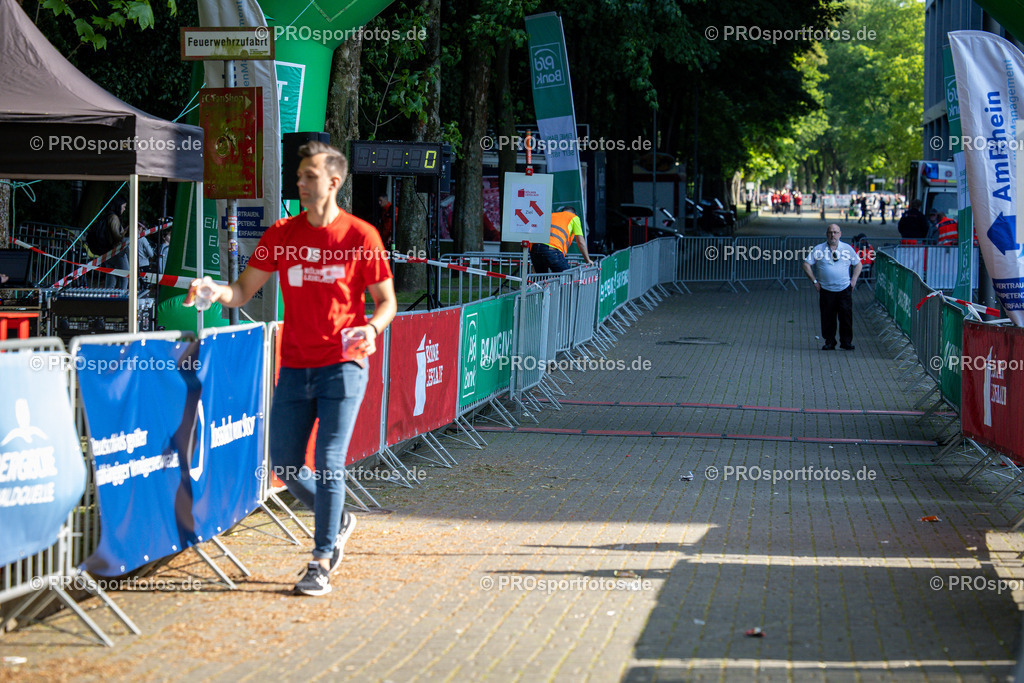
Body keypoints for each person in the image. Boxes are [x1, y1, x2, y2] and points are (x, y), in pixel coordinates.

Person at [187, 140, 397, 596]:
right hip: (296, 365)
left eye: (310, 177)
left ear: (333, 182)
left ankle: (321, 559)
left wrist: (373, 330)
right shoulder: (282, 233)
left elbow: (386, 302)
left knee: (328, 460)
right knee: (282, 461)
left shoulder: (361, 236)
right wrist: (211, 290)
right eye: (299, 176)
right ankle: (336, 514)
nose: (300, 183)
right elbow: (241, 292)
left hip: (344, 365)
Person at [802, 224, 862, 351]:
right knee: (827, 317)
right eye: (830, 232)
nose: (832, 235)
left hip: (844, 289)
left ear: (840, 234)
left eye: (835, 232)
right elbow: (806, 264)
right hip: (826, 290)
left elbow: (858, 264)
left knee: (846, 317)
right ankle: (829, 341)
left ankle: (846, 342)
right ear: (826, 234)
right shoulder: (819, 249)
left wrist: (854, 280)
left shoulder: (847, 248)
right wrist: (814, 281)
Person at [529, 207, 593, 273]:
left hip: (535, 249)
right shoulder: (574, 217)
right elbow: (580, 242)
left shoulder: (551, 215)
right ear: (574, 214)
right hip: (552, 249)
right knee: (566, 277)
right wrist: (587, 260)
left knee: (541, 279)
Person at [103, 198, 129, 288]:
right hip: (116, 251)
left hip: (108, 251)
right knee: (125, 274)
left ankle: (108, 299)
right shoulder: (114, 218)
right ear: (118, 206)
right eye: (124, 207)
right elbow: (116, 236)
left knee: (111, 277)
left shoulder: (108, 216)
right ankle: (123, 296)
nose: (124, 209)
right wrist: (126, 233)